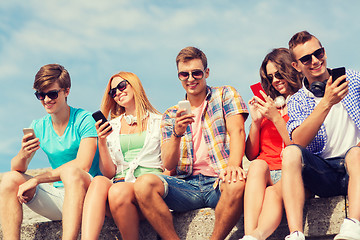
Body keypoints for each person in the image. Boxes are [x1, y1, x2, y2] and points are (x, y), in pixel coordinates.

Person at [134, 46, 249, 240]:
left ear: (207, 72)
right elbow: (169, 164)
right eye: (184, 74)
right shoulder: (171, 115)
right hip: (186, 185)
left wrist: (233, 166)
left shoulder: (225, 94)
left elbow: (237, 131)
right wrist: (177, 134)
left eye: (196, 73)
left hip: (218, 181)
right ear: (178, 76)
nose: (190, 79)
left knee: (236, 183)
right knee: (142, 185)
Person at [0, 64, 101, 240]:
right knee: (9, 179)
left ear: (66, 91)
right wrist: (24, 153)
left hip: (88, 197)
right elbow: (15, 167)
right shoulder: (39, 126)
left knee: (72, 173)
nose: (46, 99)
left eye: (52, 94)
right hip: (60, 197)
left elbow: (83, 164)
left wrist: (38, 179)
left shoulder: (84, 119)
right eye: (40, 95)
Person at [281, 31, 360, 240]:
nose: (316, 61)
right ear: (297, 66)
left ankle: (353, 225)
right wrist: (326, 103)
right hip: (324, 173)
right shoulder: (297, 100)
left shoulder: (352, 79)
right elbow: (297, 141)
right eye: (306, 58)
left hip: (357, 165)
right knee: (290, 152)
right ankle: (296, 234)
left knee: (355, 154)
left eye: (319, 53)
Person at [81, 71, 163, 240]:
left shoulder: (160, 121)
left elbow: (168, 162)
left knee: (118, 190)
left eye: (121, 86)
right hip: (118, 191)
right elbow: (109, 172)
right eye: (113, 92)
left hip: (148, 189)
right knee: (98, 181)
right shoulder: (112, 126)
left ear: (135, 85)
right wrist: (102, 141)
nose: (118, 92)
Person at [241, 48, 302, 240]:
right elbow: (251, 154)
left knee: (270, 194)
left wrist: (276, 118)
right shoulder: (269, 105)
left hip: (292, 173)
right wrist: (256, 121)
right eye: (270, 77)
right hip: (266, 171)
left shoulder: (303, 102)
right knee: (257, 164)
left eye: (279, 73)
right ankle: (249, 236)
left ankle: (254, 236)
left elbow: (297, 145)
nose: (275, 80)